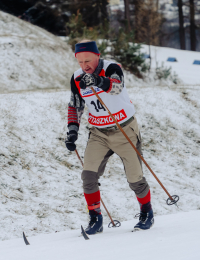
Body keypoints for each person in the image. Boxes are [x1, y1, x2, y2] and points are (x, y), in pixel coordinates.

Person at [65, 40, 154, 234]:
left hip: (124, 129)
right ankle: (95, 219)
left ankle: (146, 212)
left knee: (134, 178)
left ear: (97, 56)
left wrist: (98, 81)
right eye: (80, 62)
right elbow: (75, 105)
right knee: (88, 175)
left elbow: (116, 87)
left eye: (88, 61)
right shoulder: (77, 77)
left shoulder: (112, 67)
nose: (84, 66)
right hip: (99, 133)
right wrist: (72, 130)